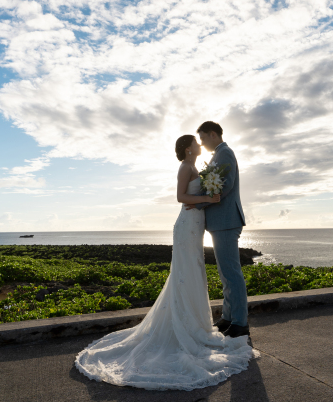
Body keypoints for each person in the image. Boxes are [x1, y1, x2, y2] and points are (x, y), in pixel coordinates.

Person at [74, 134, 256, 391]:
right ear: (187, 149)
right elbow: (181, 197)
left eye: (200, 140)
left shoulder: (196, 165)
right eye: (195, 142)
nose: (199, 144)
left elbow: (201, 192)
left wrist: (208, 198)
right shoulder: (185, 167)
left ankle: (197, 322)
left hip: (197, 223)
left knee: (194, 270)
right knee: (186, 271)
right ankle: (188, 324)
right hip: (187, 224)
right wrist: (208, 199)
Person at [189, 121, 249, 337]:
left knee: (231, 272)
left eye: (203, 138)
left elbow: (225, 186)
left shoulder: (225, 153)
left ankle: (240, 322)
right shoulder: (218, 154)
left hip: (226, 221)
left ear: (213, 134)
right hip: (221, 221)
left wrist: (199, 202)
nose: (201, 143)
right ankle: (228, 316)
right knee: (225, 273)